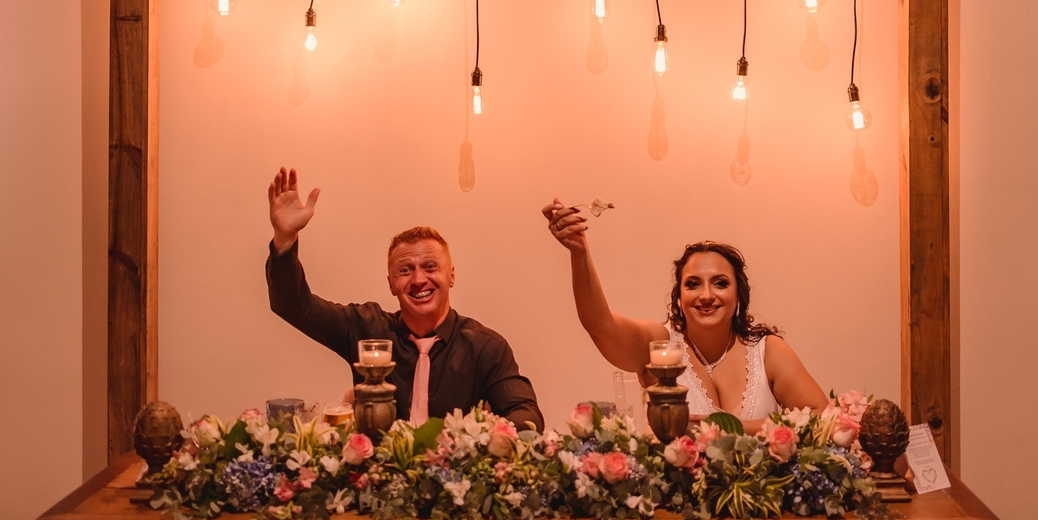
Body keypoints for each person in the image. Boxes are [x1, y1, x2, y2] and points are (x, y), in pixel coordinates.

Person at [265, 167, 544, 430]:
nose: (419, 279)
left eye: (431, 267)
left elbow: (526, 415)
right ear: (391, 284)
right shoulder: (367, 330)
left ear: (451, 276)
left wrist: (488, 433)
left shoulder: (485, 348)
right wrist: (285, 239)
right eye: (405, 270)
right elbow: (292, 305)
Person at [542, 198, 827, 434]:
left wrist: (734, 428)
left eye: (720, 283)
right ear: (679, 296)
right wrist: (579, 252)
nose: (706, 295)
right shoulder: (661, 346)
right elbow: (601, 326)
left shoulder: (766, 351)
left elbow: (823, 418)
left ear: (739, 294)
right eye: (693, 284)